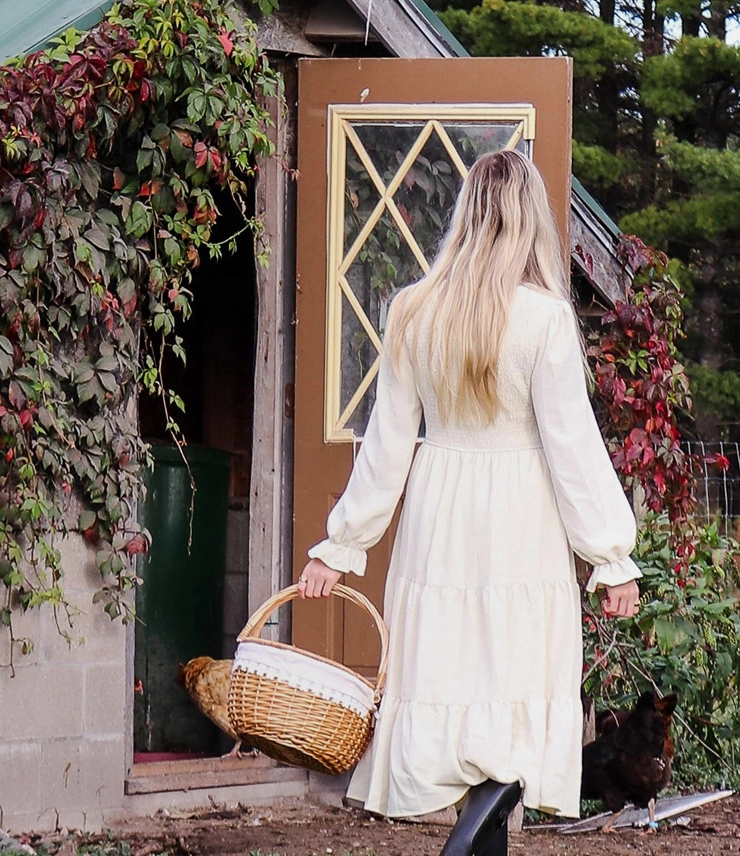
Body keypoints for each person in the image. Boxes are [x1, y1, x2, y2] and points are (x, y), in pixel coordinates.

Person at [295, 149, 643, 856]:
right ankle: (469, 847)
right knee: (512, 690)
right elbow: (572, 447)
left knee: (452, 674)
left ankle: (473, 842)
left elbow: (386, 445)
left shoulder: (412, 310)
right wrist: (611, 557)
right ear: (527, 223)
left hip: (439, 511)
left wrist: (344, 542)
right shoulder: (543, 320)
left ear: (467, 214)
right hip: (522, 514)